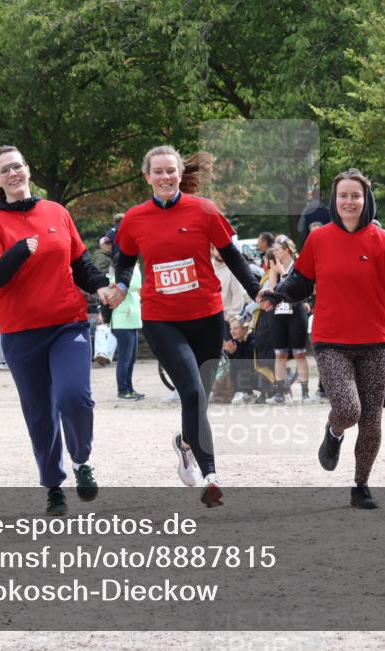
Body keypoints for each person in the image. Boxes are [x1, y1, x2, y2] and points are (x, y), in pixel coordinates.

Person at [262, 169, 385, 510]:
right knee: (348, 409)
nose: (349, 201)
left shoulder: (381, 240)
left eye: (356, 196)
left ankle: (361, 484)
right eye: (343, 196)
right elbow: (301, 282)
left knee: (371, 421)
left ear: (367, 200)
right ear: (335, 201)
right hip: (331, 340)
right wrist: (278, 296)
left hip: (375, 342)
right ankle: (333, 433)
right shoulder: (320, 240)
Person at [112, 146, 260, 507]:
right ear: (146, 176)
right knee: (192, 393)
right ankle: (211, 474)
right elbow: (125, 260)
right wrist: (118, 286)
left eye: (170, 171)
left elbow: (233, 257)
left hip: (207, 316)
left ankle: (185, 443)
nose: (165, 177)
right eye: (158, 172)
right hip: (162, 318)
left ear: (180, 174)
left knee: (201, 399)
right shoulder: (134, 219)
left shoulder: (204, 210)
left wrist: (258, 292)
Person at [0, 145, 118, 515]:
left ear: (28, 169)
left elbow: (82, 263)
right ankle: (53, 485)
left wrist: (101, 286)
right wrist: (20, 250)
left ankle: (81, 460)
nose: (13, 173)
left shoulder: (56, 211)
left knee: (74, 398)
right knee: (40, 413)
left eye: (18, 166)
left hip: (67, 323)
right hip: (21, 332)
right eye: (5, 170)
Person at [264, 234, 311, 403]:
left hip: (295, 311)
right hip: (277, 313)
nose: (274, 253)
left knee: (299, 353)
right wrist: (273, 271)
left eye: (277, 250)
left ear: (287, 250)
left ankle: (305, 392)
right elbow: (271, 291)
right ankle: (280, 392)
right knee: (280, 354)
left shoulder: (297, 266)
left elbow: (292, 288)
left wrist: (282, 272)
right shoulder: (275, 266)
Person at [108, 258, 144, 400]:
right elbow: (135, 284)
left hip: (132, 322)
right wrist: (135, 269)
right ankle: (122, 390)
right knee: (125, 358)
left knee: (132, 358)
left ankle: (129, 388)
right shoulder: (119, 274)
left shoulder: (133, 269)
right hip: (122, 322)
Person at [224, 317, 257, 404]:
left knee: (241, 369)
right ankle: (247, 393)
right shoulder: (235, 342)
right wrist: (230, 353)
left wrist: (234, 353)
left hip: (260, 374)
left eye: (235, 328)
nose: (232, 332)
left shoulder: (252, 341)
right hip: (245, 376)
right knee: (229, 368)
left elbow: (248, 366)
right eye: (231, 329)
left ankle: (242, 392)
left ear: (244, 329)